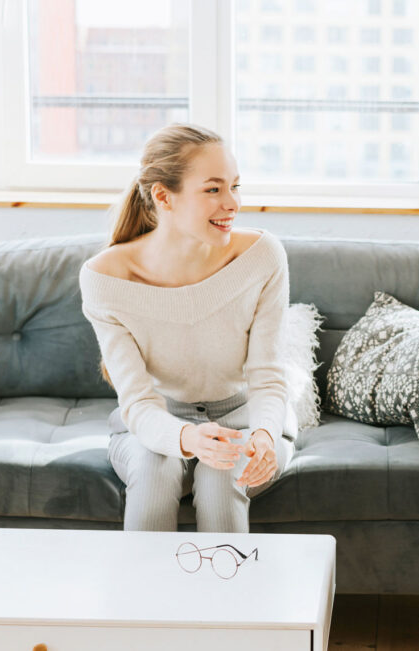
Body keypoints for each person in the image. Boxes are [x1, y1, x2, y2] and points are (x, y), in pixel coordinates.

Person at [79, 123, 294, 534]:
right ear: (164, 196)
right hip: (156, 420)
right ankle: (145, 597)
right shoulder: (104, 278)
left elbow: (267, 376)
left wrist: (264, 436)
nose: (232, 203)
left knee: (221, 474)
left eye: (235, 186)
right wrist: (187, 438)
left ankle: (227, 599)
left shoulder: (263, 255)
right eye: (213, 189)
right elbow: (138, 403)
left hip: (248, 417)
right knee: (155, 472)